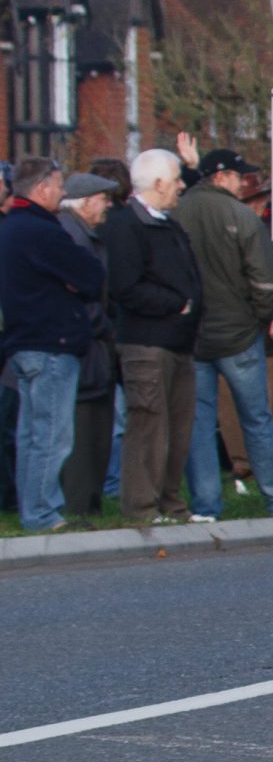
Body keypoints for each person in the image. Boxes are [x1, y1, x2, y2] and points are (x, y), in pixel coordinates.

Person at [173, 147, 273, 521]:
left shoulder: (176, 213)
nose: (244, 182)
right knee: (257, 419)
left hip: (193, 334)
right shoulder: (241, 215)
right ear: (221, 176)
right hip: (239, 334)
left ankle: (205, 504)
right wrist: (260, 318)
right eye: (238, 176)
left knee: (198, 422)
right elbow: (264, 279)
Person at [0, 158, 107, 531]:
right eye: (59, 185)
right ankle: (42, 513)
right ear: (41, 187)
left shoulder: (12, 227)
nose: (63, 193)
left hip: (25, 342)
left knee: (31, 434)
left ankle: (33, 509)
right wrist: (70, 283)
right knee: (51, 435)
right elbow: (91, 275)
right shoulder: (42, 231)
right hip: (51, 342)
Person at [104, 150, 199, 524]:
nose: (181, 186)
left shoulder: (168, 223)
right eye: (176, 179)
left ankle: (170, 502)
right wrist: (176, 304)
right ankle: (142, 507)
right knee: (148, 424)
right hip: (146, 342)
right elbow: (125, 287)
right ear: (158, 184)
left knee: (178, 426)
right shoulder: (126, 225)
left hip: (179, 341)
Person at [54, 171, 119, 517]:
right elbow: (79, 297)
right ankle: (79, 506)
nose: (108, 205)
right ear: (84, 202)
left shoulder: (82, 234)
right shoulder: (73, 236)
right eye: (103, 198)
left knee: (93, 426)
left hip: (88, 343)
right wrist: (104, 327)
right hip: (84, 344)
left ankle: (85, 504)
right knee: (83, 427)